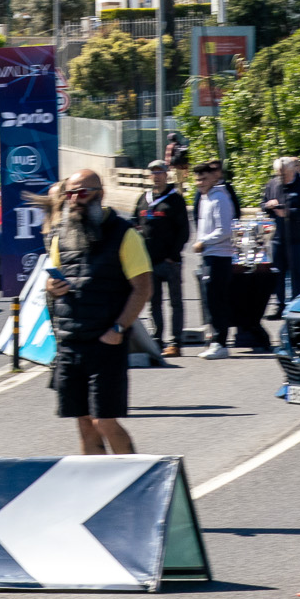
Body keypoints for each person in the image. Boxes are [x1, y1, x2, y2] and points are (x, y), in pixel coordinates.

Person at [44, 171, 154, 455]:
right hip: (70, 343)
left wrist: (118, 329)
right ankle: (97, 481)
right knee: (84, 422)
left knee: (104, 421)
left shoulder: (125, 234)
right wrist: (52, 287)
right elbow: (51, 283)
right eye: (70, 194)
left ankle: (133, 475)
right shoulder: (61, 234)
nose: (74, 200)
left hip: (106, 343)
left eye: (82, 193)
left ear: (100, 194)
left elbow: (143, 288)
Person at [131, 160, 191, 357]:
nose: (156, 176)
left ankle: (175, 342)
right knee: (154, 303)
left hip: (170, 262)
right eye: (153, 173)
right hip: (148, 262)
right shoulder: (143, 199)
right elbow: (133, 224)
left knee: (175, 303)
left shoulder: (175, 200)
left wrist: (173, 256)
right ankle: (157, 339)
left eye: (160, 172)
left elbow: (184, 231)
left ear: (166, 175)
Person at [190, 161, 246, 358]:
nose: (200, 183)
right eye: (197, 180)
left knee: (217, 300)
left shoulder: (220, 198)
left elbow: (225, 230)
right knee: (211, 300)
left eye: (204, 179)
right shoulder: (205, 198)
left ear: (213, 178)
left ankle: (220, 343)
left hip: (219, 256)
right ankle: (215, 339)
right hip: (209, 255)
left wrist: (203, 242)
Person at [261, 156, 300, 315]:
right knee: (277, 273)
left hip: (296, 237)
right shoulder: (272, 184)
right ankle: (280, 306)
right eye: (278, 174)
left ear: (292, 171)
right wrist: (268, 206)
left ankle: (297, 306)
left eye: (284, 174)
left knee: (297, 273)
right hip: (277, 237)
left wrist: (289, 212)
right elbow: (262, 205)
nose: (281, 177)